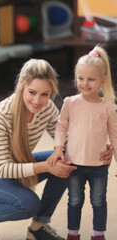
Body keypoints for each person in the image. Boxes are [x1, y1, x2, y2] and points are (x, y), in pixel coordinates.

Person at [0, 59, 113, 240]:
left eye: (45, 94)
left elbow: (68, 142)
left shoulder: (47, 108)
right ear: (21, 84)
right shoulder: (0, 116)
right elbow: (3, 169)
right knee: (28, 204)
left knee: (68, 158)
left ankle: (38, 228)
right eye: (32, 92)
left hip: (18, 165)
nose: (37, 101)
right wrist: (48, 167)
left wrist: (98, 150)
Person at [46, 46, 117, 240]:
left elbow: (115, 136)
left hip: (99, 166)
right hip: (74, 163)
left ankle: (98, 234)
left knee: (99, 201)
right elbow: (60, 127)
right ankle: (73, 233)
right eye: (81, 78)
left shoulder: (108, 108)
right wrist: (58, 149)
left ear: (102, 81)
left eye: (91, 79)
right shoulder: (70, 102)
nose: (85, 83)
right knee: (75, 201)